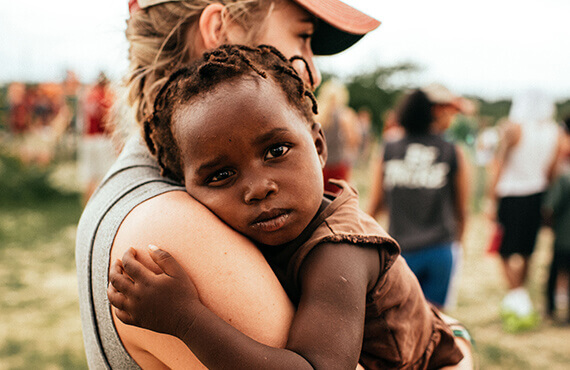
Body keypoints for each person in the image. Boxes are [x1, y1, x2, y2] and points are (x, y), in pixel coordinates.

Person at [107, 44, 468, 369]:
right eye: (221, 175)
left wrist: (184, 319)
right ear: (182, 186)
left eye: (276, 151)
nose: (259, 188)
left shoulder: (340, 250)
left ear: (318, 145)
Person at [75, 1, 384, 369]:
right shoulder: (169, 227)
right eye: (302, 38)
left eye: (276, 151)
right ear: (220, 32)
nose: (313, 73)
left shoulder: (135, 184)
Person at [367, 85, 470, 310]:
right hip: (439, 249)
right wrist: (457, 244)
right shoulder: (451, 150)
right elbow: (462, 208)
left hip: (399, 251)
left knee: (399, 324)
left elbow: (375, 204)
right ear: (433, 113)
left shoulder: (389, 149)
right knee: (433, 325)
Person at [487, 89, 562, 332]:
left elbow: (499, 163)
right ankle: (520, 297)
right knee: (528, 248)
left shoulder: (514, 128)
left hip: (511, 194)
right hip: (536, 193)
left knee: (504, 248)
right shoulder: (555, 131)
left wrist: (491, 198)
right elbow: (552, 170)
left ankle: (516, 294)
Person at [542, 116, 570, 323]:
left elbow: (550, 207)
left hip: (564, 237)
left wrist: (548, 221)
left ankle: (550, 309)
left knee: (554, 273)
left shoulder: (564, 176)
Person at [316, 79, 361, 194]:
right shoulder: (345, 114)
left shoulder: (317, 113)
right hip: (338, 164)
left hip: (319, 164)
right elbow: (353, 140)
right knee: (337, 200)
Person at [78, 72, 117, 204]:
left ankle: (86, 211)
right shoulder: (106, 96)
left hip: (88, 139)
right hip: (102, 140)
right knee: (104, 177)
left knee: (89, 177)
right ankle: (100, 207)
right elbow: (108, 121)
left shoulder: (88, 96)